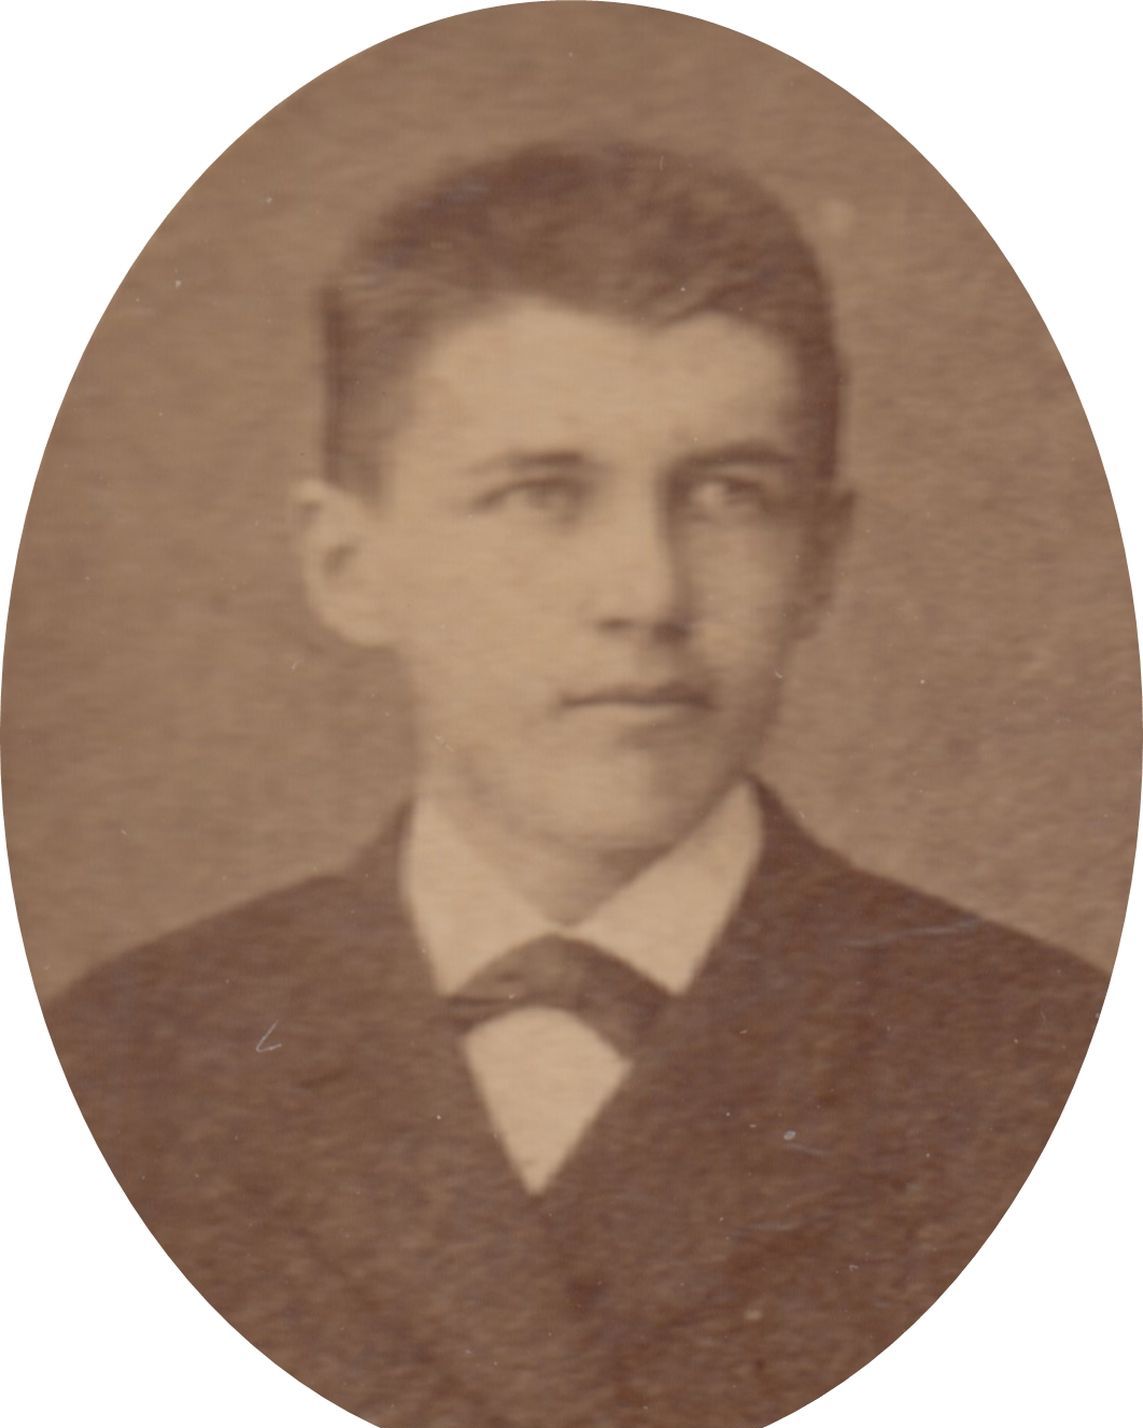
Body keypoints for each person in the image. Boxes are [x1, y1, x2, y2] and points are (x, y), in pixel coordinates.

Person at [46, 143, 1106, 1428]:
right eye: (541, 495)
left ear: (821, 560)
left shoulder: (1045, 1065)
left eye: (730, 496)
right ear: (349, 565)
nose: (647, 593)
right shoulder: (126, 1070)